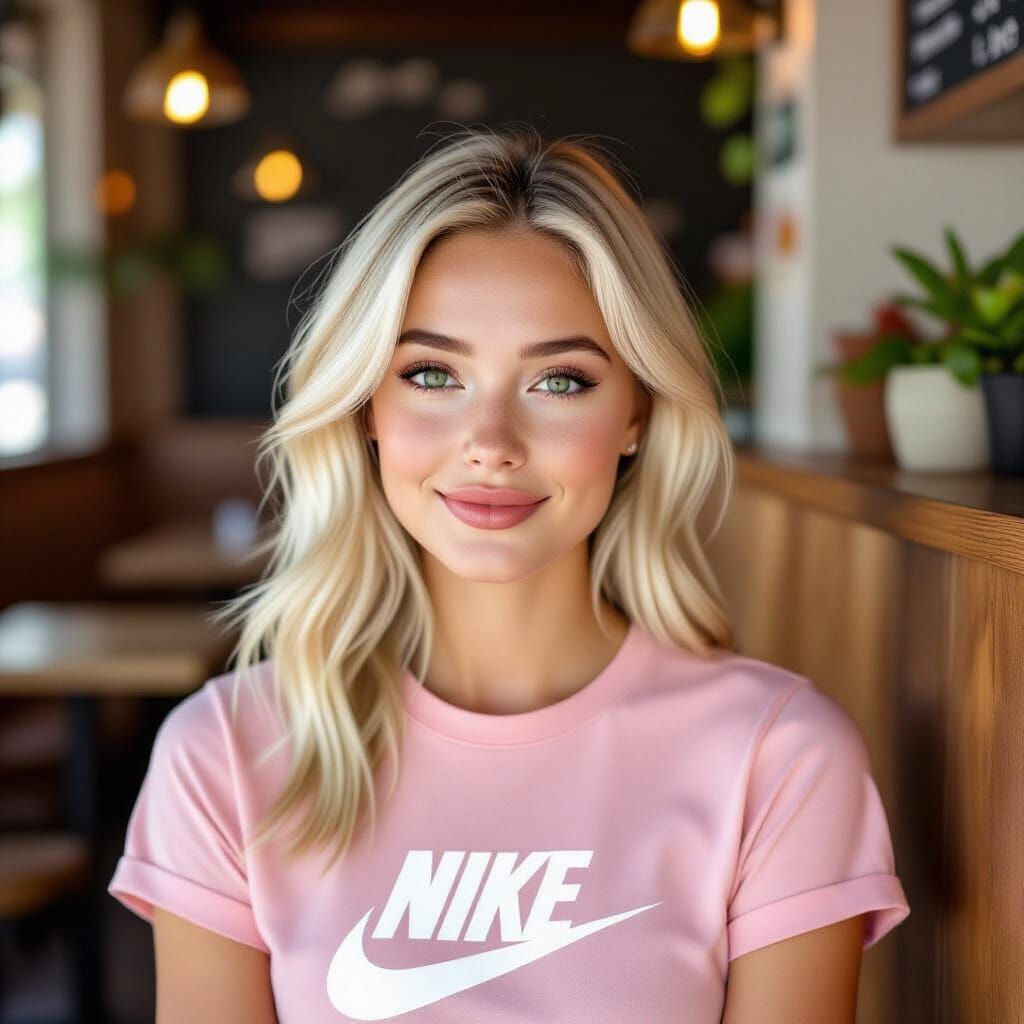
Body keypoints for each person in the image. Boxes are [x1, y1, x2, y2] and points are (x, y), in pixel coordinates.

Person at [108, 126, 910, 1024]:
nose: (490, 445)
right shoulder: (224, 754)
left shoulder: (779, 757)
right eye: (432, 374)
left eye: (560, 381)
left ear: (638, 413)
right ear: (367, 404)